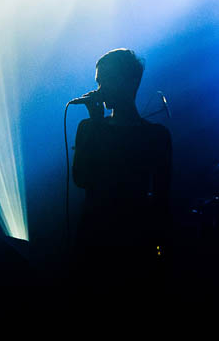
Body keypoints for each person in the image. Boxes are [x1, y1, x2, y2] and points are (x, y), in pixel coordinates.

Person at [71, 48, 172, 290]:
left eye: (106, 79)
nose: (100, 87)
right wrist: (96, 124)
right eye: (98, 81)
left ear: (131, 81)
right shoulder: (88, 127)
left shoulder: (156, 136)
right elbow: (81, 178)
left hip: (135, 242)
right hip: (93, 242)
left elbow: (162, 198)